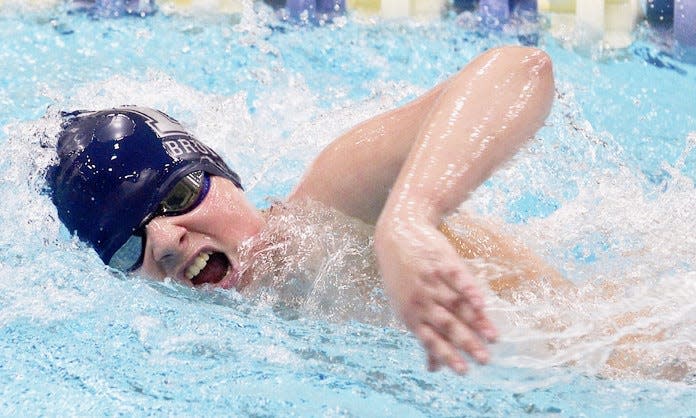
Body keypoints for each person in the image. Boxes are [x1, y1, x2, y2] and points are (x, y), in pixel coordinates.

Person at [47, 45, 556, 375]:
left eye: (178, 196)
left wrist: (408, 217)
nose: (163, 243)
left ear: (223, 175)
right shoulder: (215, 357)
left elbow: (520, 70)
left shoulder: (329, 211)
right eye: (126, 249)